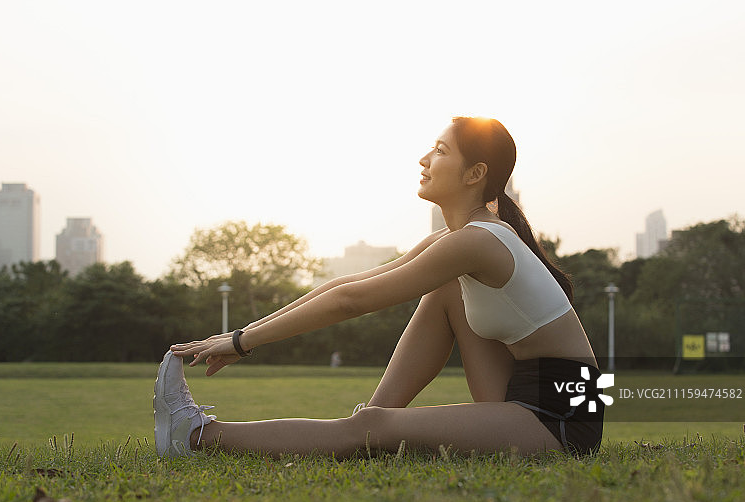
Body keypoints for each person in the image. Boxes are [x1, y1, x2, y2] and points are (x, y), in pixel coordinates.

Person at [156, 117, 604, 459]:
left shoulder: (478, 242)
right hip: (521, 388)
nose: (425, 160)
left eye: (441, 151)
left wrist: (242, 341)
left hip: (564, 416)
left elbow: (353, 303)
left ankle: (194, 436)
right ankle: (366, 426)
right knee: (443, 293)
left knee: (373, 426)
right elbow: (349, 283)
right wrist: (242, 334)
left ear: (475, 174)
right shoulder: (461, 240)